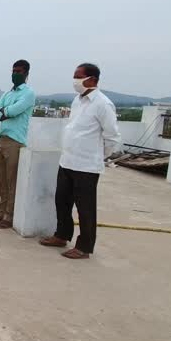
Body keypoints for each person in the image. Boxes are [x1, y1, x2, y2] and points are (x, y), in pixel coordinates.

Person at [39, 63, 121, 259]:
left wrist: (95, 157)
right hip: (67, 161)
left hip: (86, 166)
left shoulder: (103, 104)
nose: (75, 81)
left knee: (85, 208)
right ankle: (61, 235)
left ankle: (84, 247)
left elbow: (113, 138)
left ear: (92, 79)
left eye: (78, 76)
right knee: (62, 201)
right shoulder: (77, 100)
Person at [0, 60, 37, 229]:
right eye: (13, 70)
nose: (15, 74)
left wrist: (4, 112)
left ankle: (9, 215)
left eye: (19, 71)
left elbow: (15, 110)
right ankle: (1, 212)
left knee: (11, 179)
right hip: (2, 139)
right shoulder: (7, 94)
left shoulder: (28, 94)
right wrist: (4, 113)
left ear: (26, 74)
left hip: (15, 141)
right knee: (2, 178)